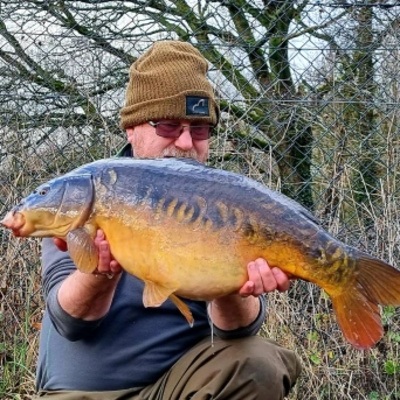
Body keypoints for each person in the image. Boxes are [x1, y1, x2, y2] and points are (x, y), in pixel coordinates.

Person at [34, 40, 302, 400]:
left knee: (258, 363)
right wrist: (100, 272)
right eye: (168, 126)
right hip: (83, 392)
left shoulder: (226, 202)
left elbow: (237, 334)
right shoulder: (86, 190)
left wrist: (232, 285)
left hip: (182, 387)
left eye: (200, 129)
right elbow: (69, 322)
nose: (186, 143)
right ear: (131, 128)